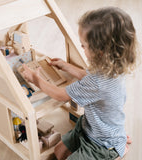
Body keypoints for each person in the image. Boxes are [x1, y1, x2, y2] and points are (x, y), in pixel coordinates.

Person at [22, 7, 137, 160]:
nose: (81, 48)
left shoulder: (97, 82)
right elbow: (87, 76)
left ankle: (116, 151)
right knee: (58, 151)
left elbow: (60, 95)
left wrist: (36, 79)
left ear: (100, 51)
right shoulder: (113, 67)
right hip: (90, 127)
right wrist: (67, 66)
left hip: (101, 145)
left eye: (84, 46)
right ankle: (119, 143)